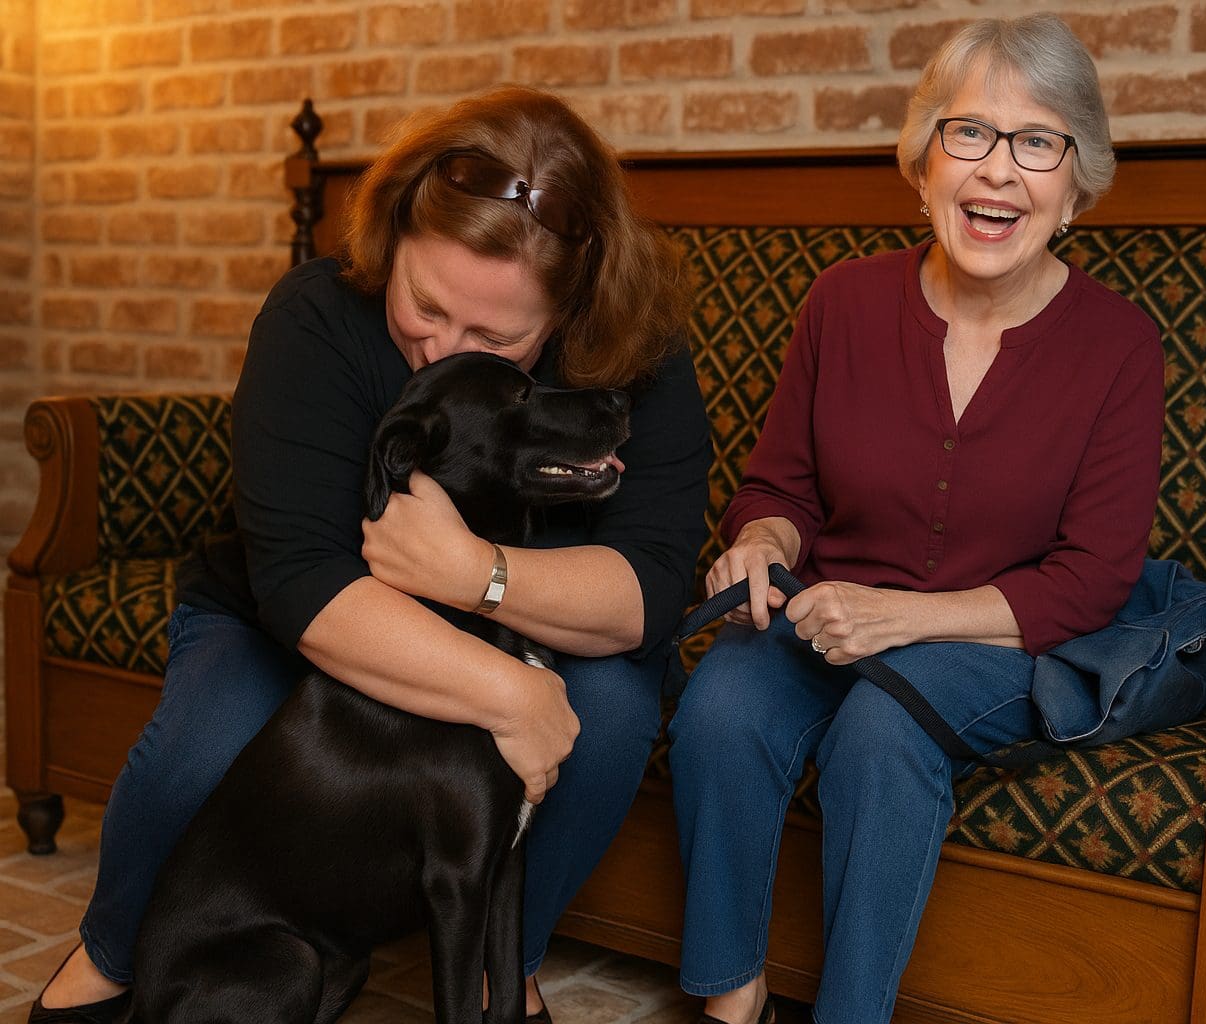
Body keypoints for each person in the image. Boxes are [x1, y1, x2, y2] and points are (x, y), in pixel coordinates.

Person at [31, 86, 711, 1024]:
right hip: (286, 612)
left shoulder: (640, 352)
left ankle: (494, 972)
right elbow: (306, 585)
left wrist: (471, 571)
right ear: (393, 237)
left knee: (612, 713)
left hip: (511, 615)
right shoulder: (315, 319)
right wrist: (509, 694)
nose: (439, 354)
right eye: (424, 304)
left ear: (575, 305)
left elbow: (648, 590)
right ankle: (103, 965)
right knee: (209, 747)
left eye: (493, 339)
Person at [666, 15, 1164, 1024]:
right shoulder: (841, 303)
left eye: (1039, 143)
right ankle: (732, 1000)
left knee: (884, 729)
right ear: (924, 163)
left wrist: (904, 616)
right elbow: (780, 488)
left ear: (1075, 188)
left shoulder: (1119, 345)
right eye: (968, 133)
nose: (999, 171)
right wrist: (762, 542)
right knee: (721, 700)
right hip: (825, 611)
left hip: (997, 638)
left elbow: (1093, 577)